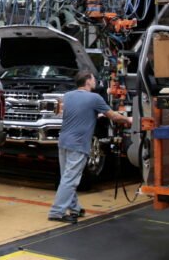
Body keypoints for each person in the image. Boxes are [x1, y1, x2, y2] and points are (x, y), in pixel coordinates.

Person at [47, 70, 132, 224]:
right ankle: (56, 212)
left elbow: (69, 112)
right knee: (70, 179)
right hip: (78, 143)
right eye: (93, 79)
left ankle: (75, 208)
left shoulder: (67, 96)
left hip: (64, 141)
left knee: (66, 177)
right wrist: (130, 119)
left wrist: (94, 114)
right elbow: (114, 116)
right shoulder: (94, 98)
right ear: (87, 81)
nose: (95, 81)